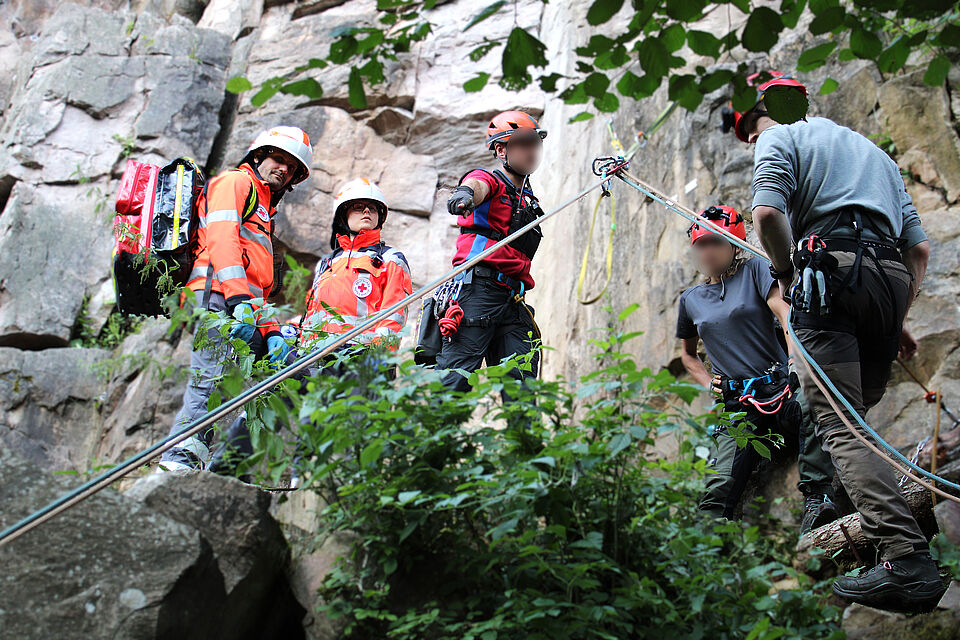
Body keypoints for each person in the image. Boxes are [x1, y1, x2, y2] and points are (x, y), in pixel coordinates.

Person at [739, 72, 943, 612]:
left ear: (767, 115)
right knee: (856, 420)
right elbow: (918, 249)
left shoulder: (779, 137)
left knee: (839, 422)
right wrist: (895, 312)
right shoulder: (874, 153)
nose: (754, 138)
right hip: (888, 280)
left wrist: (785, 273)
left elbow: (766, 214)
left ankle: (906, 557)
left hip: (827, 272)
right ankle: (863, 519)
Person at [208, 178, 412, 481]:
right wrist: (293, 330)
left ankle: (325, 487)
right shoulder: (327, 263)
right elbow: (313, 311)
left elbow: (394, 313)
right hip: (313, 352)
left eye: (373, 208)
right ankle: (225, 469)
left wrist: (376, 350)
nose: (366, 211)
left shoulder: (389, 259)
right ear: (343, 215)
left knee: (345, 427)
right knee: (270, 398)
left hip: (360, 355)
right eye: (358, 207)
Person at [159, 126, 313, 472]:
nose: (284, 169)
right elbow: (222, 240)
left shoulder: (263, 211)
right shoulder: (234, 183)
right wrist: (238, 301)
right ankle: (177, 464)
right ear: (258, 155)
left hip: (242, 305)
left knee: (288, 369)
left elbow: (258, 281)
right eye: (279, 159)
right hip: (215, 299)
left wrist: (272, 331)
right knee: (209, 382)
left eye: (292, 168)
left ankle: (227, 462)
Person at [677, 205, 837, 531]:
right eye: (701, 244)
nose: (707, 251)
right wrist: (709, 383)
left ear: (734, 244)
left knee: (815, 405)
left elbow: (783, 311)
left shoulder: (756, 270)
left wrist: (795, 361)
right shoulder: (691, 299)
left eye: (715, 242)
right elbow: (688, 356)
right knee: (717, 488)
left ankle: (817, 500)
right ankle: (705, 553)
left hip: (779, 388)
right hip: (739, 406)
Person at [438, 110, 545, 397]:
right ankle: (432, 438)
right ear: (501, 149)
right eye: (523, 143)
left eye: (535, 143)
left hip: (513, 300)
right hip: (477, 293)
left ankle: (523, 441)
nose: (532, 150)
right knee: (454, 383)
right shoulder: (490, 180)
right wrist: (465, 195)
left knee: (522, 388)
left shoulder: (527, 197)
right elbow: (477, 185)